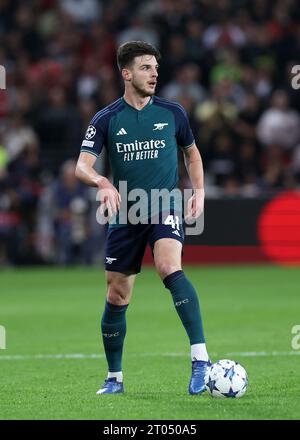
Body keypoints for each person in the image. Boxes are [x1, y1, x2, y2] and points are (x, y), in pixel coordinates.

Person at [75, 41, 210, 395]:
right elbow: (81, 167)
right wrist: (102, 181)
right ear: (126, 73)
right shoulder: (106, 118)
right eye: (146, 68)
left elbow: (192, 155)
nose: (154, 73)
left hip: (165, 204)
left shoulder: (173, 112)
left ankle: (200, 359)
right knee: (117, 295)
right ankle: (114, 378)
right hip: (125, 213)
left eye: (155, 67)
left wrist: (198, 191)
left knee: (169, 267)